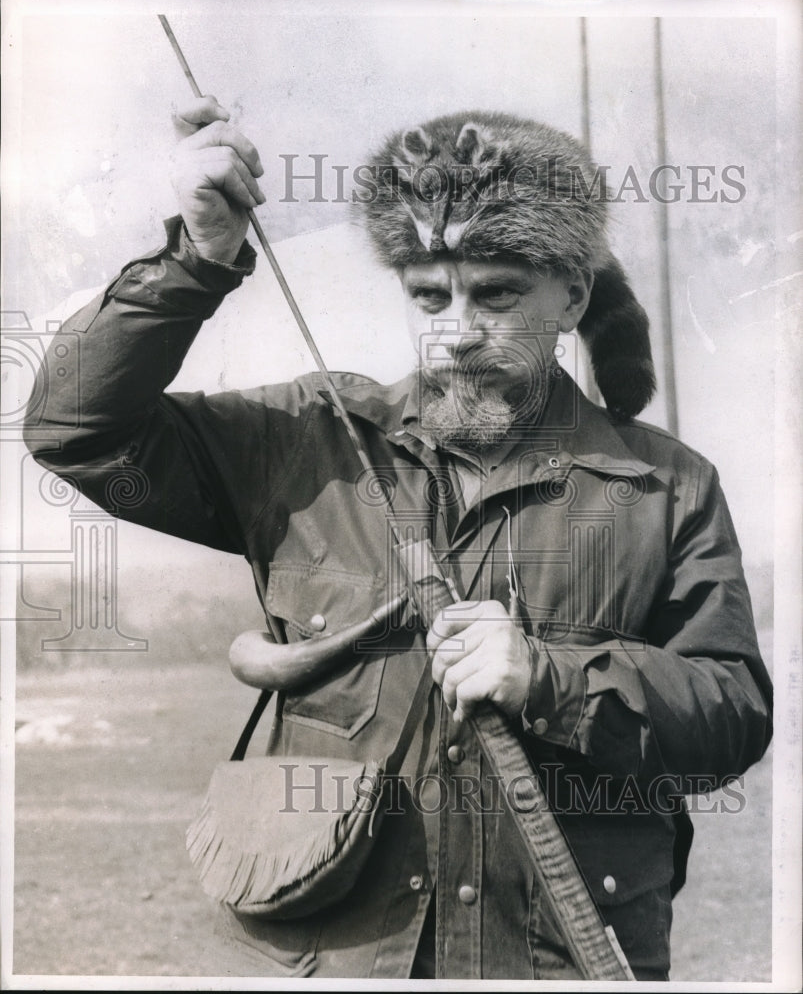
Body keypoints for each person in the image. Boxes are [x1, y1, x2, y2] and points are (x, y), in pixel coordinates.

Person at [24, 99, 773, 981]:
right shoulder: (306, 438)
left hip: (559, 956)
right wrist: (198, 258)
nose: (455, 332)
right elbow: (75, 431)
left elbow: (732, 713)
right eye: (429, 296)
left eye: (495, 294)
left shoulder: (667, 485)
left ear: (572, 295)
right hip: (347, 955)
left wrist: (549, 677)